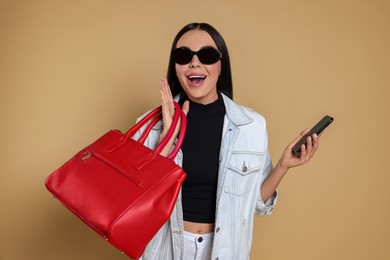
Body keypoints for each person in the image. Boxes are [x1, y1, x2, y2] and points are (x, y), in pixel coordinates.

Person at [135, 22, 320, 260]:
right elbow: (138, 203)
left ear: (221, 66)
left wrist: (283, 165)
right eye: (183, 55)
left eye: (207, 55)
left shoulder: (251, 126)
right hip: (165, 251)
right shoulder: (150, 126)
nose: (194, 62)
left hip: (225, 251)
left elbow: (255, 205)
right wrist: (166, 140)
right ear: (175, 66)